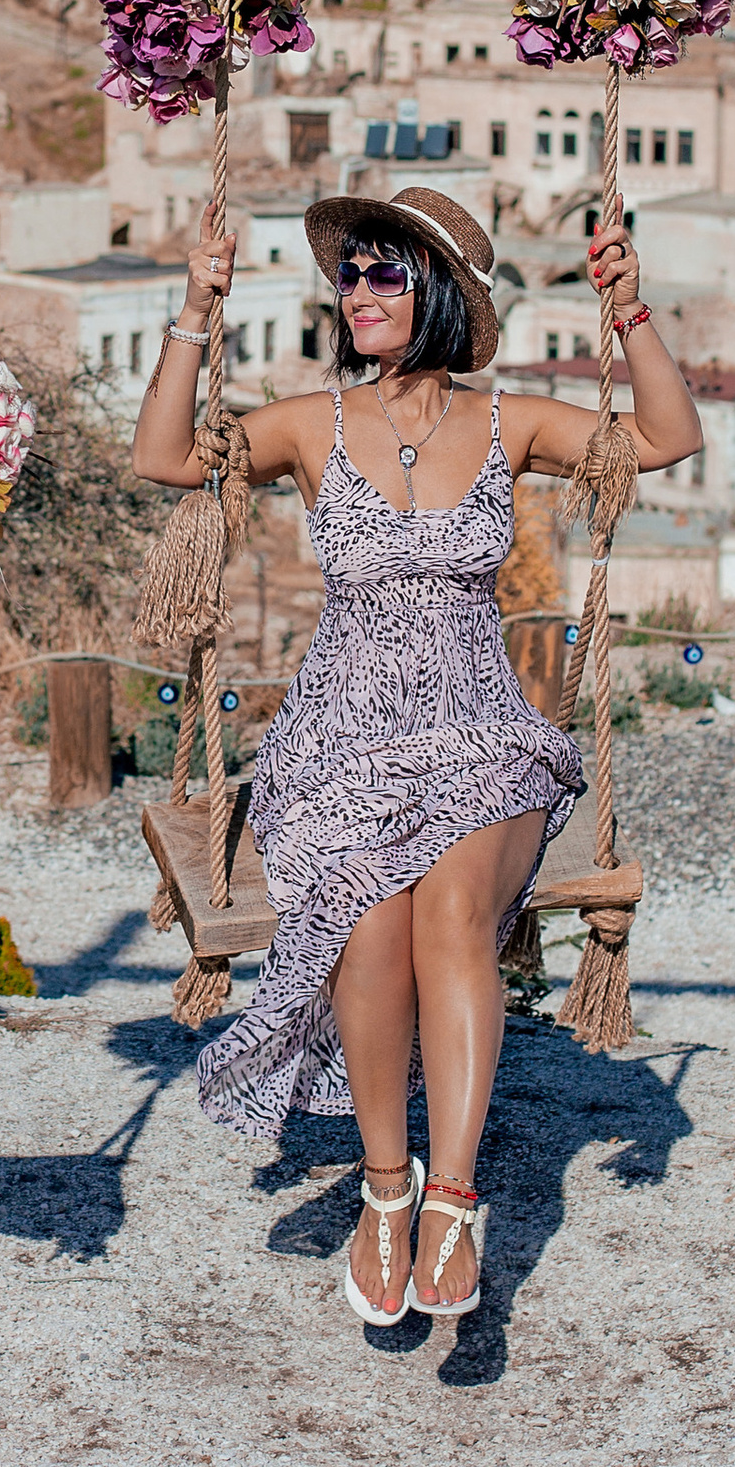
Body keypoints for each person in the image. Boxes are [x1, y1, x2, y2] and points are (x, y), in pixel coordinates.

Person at [130, 182, 702, 1329]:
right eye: (350, 273)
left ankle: (451, 1199)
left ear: (436, 290)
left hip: (478, 726)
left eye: (385, 270)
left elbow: (666, 437)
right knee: (366, 924)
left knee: (450, 922)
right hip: (338, 735)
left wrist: (630, 313)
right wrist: (195, 307)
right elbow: (161, 460)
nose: (360, 291)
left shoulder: (511, 424)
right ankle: (381, 1195)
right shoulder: (308, 424)